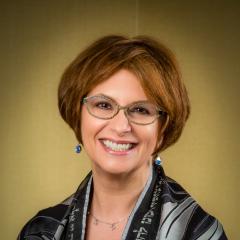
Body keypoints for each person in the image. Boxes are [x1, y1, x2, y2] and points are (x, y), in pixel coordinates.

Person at [18, 35, 228, 240]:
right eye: (103, 105)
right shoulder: (40, 231)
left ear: (162, 129)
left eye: (140, 109)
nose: (121, 127)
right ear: (77, 115)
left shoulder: (199, 232)